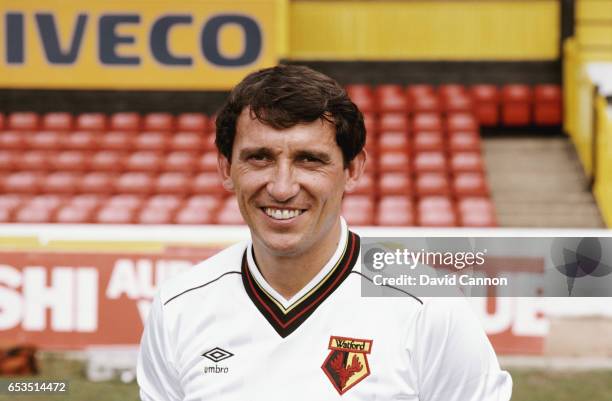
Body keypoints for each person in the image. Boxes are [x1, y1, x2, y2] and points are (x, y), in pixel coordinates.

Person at [137, 65, 512, 400]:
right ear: (226, 168)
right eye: (259, 157)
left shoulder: (428, 308)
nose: (282, 187)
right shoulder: (179, 307)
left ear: (352, 170)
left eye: (309, 160)